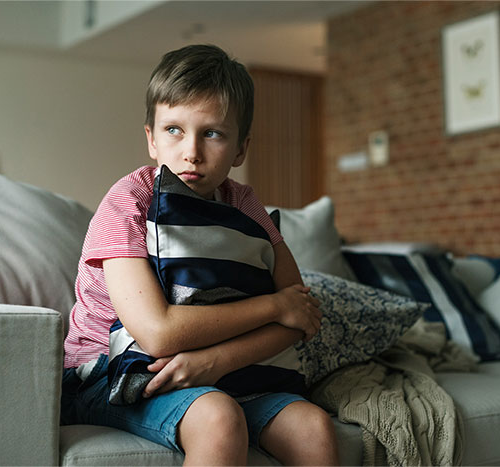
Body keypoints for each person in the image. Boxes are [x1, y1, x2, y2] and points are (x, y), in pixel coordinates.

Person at [61, 44, 339, 466]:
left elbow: (301, 316)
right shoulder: (128, 204)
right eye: (174, 130)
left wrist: (214, 361)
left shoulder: (244, 206)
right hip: (115, 374)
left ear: (240, 149)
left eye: (213, 133)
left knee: (314, 429)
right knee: (218, 419)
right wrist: (272, 306)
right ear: (151, 139)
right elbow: (157, 334)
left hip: (226, 372)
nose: (191, 151)